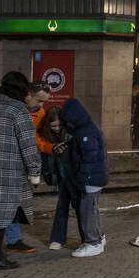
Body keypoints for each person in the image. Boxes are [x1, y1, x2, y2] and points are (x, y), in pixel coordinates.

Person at [0, 81, 53, 253]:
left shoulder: (38, 113)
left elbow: (34, 139)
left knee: (16, 203)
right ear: (28, 95)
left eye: (44, 102)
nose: (41, 105)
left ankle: (12, 240)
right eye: (39, 100)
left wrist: (48, 149)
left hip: (17, 166)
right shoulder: (2, 109)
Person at [59, 98, 108, 257]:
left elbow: (90, 157)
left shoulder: (85, 132)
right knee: (91, 209)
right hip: (92, 177)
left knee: (88, 211)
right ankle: (97, 239)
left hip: (90, 178)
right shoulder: (84, 129)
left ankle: (93, 242)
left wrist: (84, 179)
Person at [38, 107, 83, 250]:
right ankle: (58, 239)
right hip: (62, 177)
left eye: (58, 125)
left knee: (80, 208)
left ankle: (88, 238)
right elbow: (45, 160)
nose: (56, 129)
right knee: (62, 207)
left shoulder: (71, 135)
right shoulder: (46, 137)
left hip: (74, 176)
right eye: (53, 126)